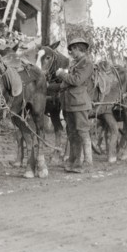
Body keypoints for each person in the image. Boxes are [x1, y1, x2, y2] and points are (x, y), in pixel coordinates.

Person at [55, 37, 95, 173]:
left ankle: (88, 163)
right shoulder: (75, 63)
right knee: (72, 133)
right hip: (69, 103)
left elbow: (77, 80)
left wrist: (61, 74)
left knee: (82, 132)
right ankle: (74, 162)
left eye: (72, 50)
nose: (71, 52)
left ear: (79, 48)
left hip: (80, 103)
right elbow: (68, 82)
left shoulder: (87, 63)